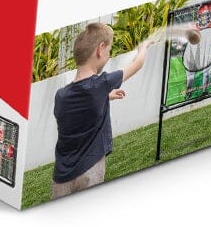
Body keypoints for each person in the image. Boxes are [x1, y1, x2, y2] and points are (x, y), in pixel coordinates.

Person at [50, 21, 149, 196]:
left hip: (60, 179)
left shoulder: (61, 95)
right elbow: (137, 64)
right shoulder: (100, 84)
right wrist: (143, 47)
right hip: (90, 171)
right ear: (100, 49)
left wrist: (106, 95)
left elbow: (81, 108)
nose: (109, 55)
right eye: (109, 51)